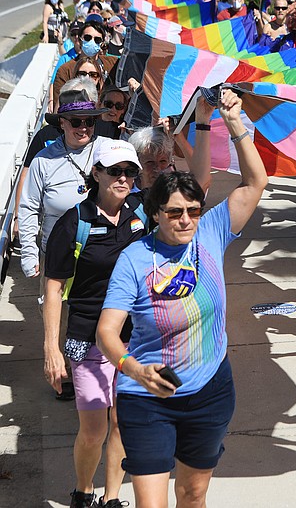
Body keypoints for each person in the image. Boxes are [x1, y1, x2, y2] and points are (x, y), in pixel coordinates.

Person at [96, 89, 268, 508]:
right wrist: (132, 369)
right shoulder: (135, 259)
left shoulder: (212, 232)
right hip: (148, 397)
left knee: (193, 494)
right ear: (155, 213)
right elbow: (107, 332)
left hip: (209, 392)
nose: (186, 219)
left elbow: (255, 182)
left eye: (192, 209)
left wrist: (235, 122)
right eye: (174, 212)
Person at [43, 139, 145, 508]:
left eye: (130, 171)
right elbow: (53, 287)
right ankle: (83, 493)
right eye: (114, 171)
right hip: (88, 339)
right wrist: (51, 349)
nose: (123, 178)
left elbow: (198, 186)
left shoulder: (140, 211)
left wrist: (201, 121)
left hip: (135, 337)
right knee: (93, 430)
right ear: (96, 173)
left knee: (122, 423)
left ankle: (113, 498)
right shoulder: (75, 222)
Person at [18, 89, 109, 279]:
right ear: (62, 122)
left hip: (102, 253)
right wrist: (28, 253)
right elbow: (29, 208)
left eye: (89, 122)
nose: (83, 128)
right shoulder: (44, 159)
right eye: (76, 122)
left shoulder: (108, 150)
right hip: (56, 254)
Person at [54, 20, 117, 106]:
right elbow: (58, 106)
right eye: (87, 38)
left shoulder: (112, 64)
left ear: (102, 43)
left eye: (97, 40)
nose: (92, 42)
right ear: (80, 40)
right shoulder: (65, 70)